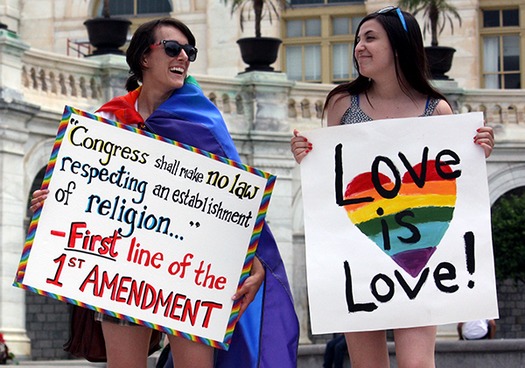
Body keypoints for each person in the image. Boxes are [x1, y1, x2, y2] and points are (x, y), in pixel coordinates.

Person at [30, 17, 299, 368]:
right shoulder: (107, 122)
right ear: (144, 57)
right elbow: (84, 197)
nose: (184, 57)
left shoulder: (201, 120)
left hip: (188, 272)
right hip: (124, 268)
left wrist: (259, 261)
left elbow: (236, 202)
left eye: (191, 51)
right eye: (173, 49)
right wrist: (54, 201)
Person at [290, 6, 495, 368]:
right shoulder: (342, 103)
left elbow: (453, 184)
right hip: (359, 251)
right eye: (357, 39)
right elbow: (332, 179)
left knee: (417, 364)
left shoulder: (437, 110)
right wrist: (306, 155)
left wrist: (477, 150)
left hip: (421, 256)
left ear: (399, 46)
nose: (358, 47)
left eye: (370, 38)